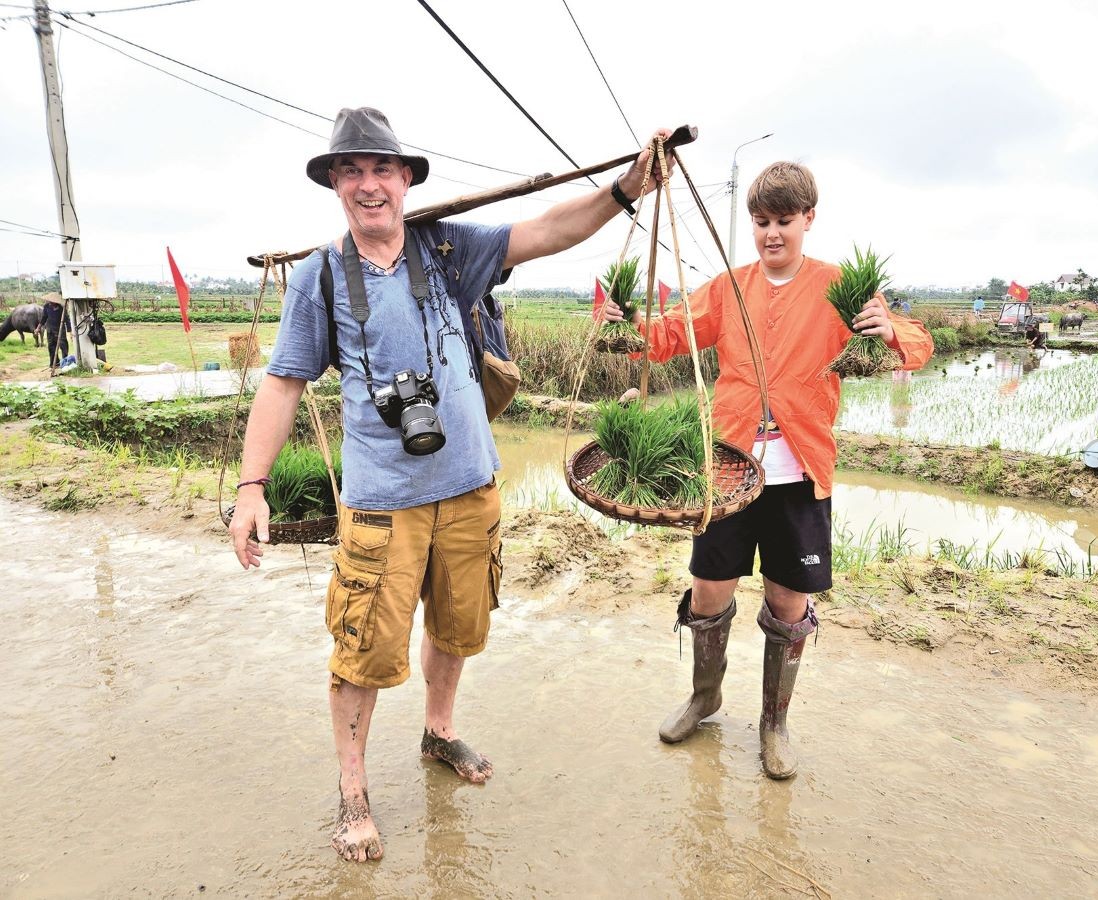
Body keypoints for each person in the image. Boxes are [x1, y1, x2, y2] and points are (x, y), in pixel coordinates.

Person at [228, 107, 669, 863]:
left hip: (471, 486)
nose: (369, 185)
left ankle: (438, 732)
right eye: (352, 171)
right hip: (381, 502)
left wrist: (625, 190)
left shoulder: (450, 247)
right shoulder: (320, 279)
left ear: (405, 178)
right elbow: (282, 385)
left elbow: (552, 229)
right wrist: (251, 486)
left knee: (459, 626)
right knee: (362, 648)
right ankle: (355, 790)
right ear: (336, 184)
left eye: (381, 170)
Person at [602, 160, 933, 779]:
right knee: (708, 592)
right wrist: (629, 328)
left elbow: (916, 345)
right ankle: (705, 696)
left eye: (784, 221)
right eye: (761, 222)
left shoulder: (838, 287)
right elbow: (671, 335)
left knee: (788, 603)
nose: (771, 233)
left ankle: (774, 722)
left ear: (810, 219)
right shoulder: (730, 287)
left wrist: (889, 331)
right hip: (728, 472)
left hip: (800, 474)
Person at [40, 296, 70, 371]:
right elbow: (44, 318)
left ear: (56, 302)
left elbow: (66, 319)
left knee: (63, 346)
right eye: (49, 301)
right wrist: (38, 328)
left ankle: (65, 363)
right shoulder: (46, 307)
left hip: (60, 330)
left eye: (52, 302)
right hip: (50, 330)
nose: (50, 303)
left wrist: (70, 330)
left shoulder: (61, 308)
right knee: (51, 347)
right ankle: (55, 363)